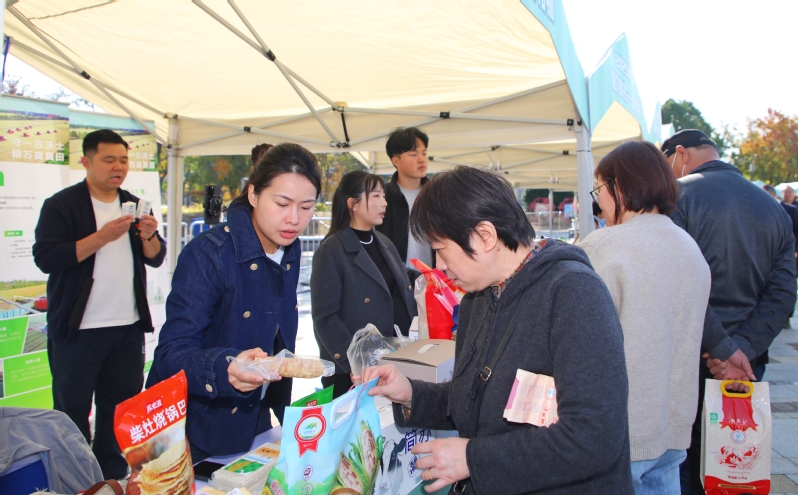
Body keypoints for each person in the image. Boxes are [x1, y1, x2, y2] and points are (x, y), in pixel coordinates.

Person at [360, 166, 633, 494]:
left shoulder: (574, 293)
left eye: (441, 249)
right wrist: (411, 394)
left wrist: (472, 459)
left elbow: (593, 438)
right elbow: (475, 399)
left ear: (485, 236)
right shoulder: (478, 298)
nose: (439, 265)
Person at [146, 143, 321, 461]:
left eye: (307, 207)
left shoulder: (290, 248)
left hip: (256, 415)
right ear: (253, 194)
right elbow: (171, 353)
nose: (294, 219)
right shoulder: (209, 253)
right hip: (199, 427)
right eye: (282, 203)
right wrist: (225, 367)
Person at [662, 129, 797, 494]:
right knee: (734, 465)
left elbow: (677, 284)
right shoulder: (773, 207)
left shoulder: (676, 196)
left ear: (680, 154)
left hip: (690, 357)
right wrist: (743, 349)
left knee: (684, 463)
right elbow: (783, 293)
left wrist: (725, 350)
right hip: (747, 361)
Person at [33, 129, 166, 479]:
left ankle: (111, 476)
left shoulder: (135, 203)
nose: (118, 167)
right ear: (86, 161)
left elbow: (156, 256)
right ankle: (74, 476)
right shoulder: (62, 205)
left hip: (127, 327)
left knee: (119, 409)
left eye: (123, 160)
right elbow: (47, 257)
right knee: (72, 409)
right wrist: (102, 237)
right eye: (109, 160)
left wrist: (149, 235)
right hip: (78, 329)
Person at [579, 141, 711, 495]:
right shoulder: (688, 246)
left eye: (599, 189)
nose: (599, 202)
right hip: (673, 426)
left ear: (619, 187)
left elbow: (579, 340)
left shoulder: (605, 245)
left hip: (620, 430)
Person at [310, 171, 417, 398]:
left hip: (390, 360)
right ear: (353, 204)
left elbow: (402, 275)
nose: (384, 202)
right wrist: (353, 362)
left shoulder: (383, 242)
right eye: (376, 196)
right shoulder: (331, 250)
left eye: (384, 196)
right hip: (352, 373)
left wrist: (431, 276)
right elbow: (325, 317)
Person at [376, 127, 435, 272]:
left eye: (424, 153)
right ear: (395, 160)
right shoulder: (382, 198)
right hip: (396, 280)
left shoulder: (436, 196)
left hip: (435, 280)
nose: (421, 159)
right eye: (413, 154)